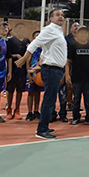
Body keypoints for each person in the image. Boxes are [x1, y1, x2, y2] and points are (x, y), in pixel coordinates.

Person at [16, 9, 67, 139]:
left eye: (62, 15)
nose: (61, 17)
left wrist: (39, 65)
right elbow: (35, 44)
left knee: (50, 99)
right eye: (57, 15)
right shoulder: (49, 30)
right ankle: (41, 129)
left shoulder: (57, 31)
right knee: (49, 100)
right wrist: (24, 58)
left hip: (55, 69)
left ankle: (44, 126)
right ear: (51, 18)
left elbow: (46, 52)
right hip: (51, 70)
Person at [67, 26, 89, 126]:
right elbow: (68, 62)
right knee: (76, 98)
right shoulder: (73, 46)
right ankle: (75, 117)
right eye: (81, 33)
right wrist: (67, 74)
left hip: (88, 77)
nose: (83, 35)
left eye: (85, 33)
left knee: (88, 98)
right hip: (76, 77)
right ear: (77, 34)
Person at [5, 29, 29, 120]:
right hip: (13, 68)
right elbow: (7, 55)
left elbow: (29, 53)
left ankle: (17, 109)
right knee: (10, 90)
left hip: (22, 69)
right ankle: (9, 109)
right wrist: (15, 56)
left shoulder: (26, 41)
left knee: (20, 90)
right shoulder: (10, 41)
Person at [24, 30, 43, 121]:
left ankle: (36, 110)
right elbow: (27, 62)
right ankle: (29, 112)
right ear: (33, 38)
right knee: (31, 93)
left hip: (40, 73)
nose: (38, 37)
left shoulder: (43, 48)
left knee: (38, 93)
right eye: (36, 35)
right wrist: (29, 75)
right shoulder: (32, 48)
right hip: (31, 73)